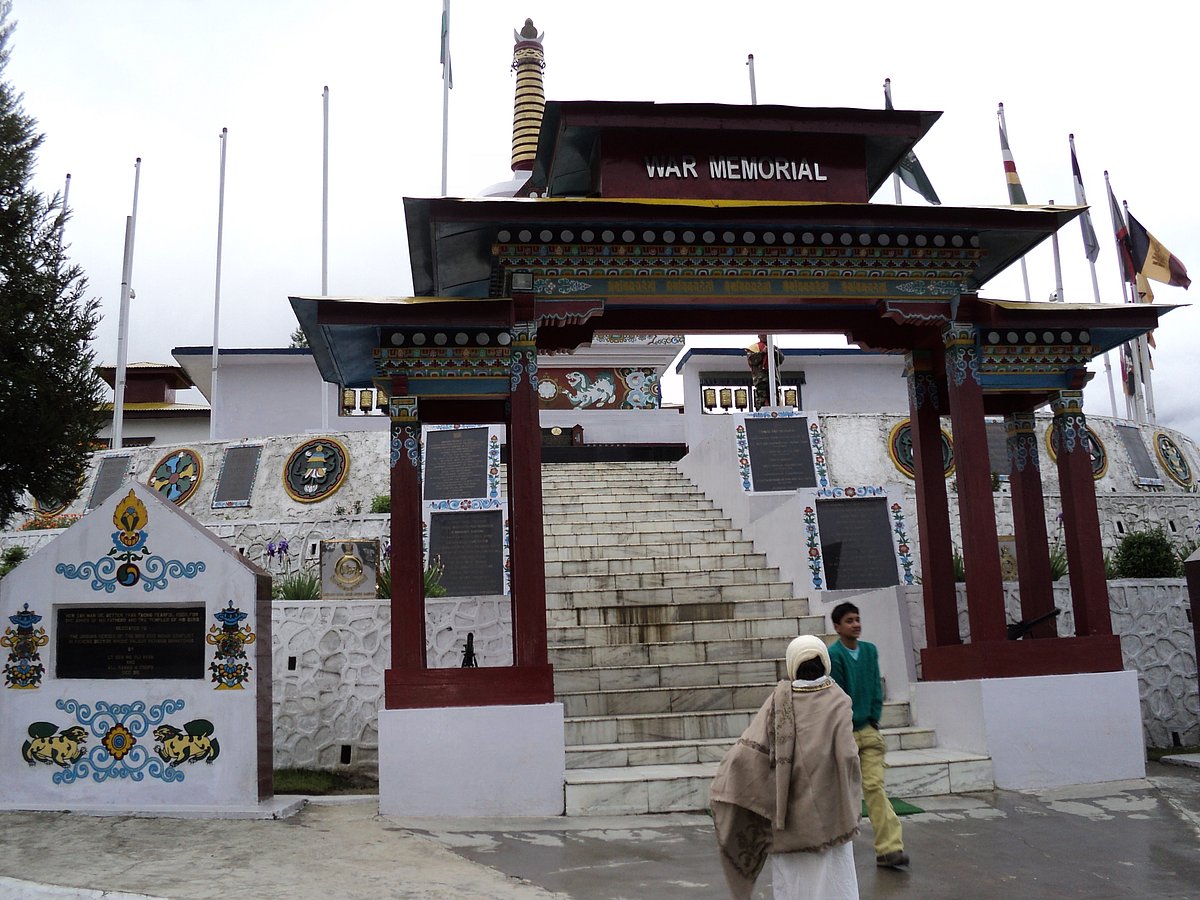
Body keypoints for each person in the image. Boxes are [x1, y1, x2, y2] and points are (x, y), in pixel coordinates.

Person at [711, 635, 861, 899]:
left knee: (795, 887)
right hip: (832, 819)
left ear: (793, 664)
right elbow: (849, 757)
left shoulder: (778, 701)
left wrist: (726, 786)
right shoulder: (838, 699)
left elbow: (745, 756)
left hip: (789, 824)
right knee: (835, 884)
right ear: (824, 662)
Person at [828, 602, 910, 869]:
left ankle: (890, 848)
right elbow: (838, 695)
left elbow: (876, 686)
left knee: (874, 787)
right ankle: (830, 847)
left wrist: (873, 719)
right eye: (849, 621)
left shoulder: (870, 651)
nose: (856, 624)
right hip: (845, 734)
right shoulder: (834, 655)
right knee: (839, 791)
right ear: (837, 627)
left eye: (858, 619)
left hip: (868, 731)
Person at [746, 334, 784, 411]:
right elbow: (751, 360)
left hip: (773, 378)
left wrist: (774, 352)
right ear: (758, 336)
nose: (764, 336)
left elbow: (781, 359)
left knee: (775, 398)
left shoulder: (773, 347)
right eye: (762, 334)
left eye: (766, 334)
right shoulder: (754, 347)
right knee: (762, 399)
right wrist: (762, 352)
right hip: (761, 379)